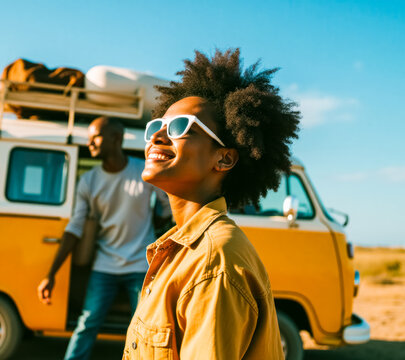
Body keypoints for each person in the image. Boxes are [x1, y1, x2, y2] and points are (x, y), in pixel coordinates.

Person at [122, 49, 299, 359]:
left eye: (179, 127)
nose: (157, 137)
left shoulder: (213, 261)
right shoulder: (183, 251)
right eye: (155, 127)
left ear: (224, 158)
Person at [37, 116, 171, 360]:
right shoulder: (89, 180)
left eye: (95, 137)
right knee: (87, 322)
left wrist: (153, 224)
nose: (89, 143)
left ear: (115, 139)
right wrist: (51, 274)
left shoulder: (143, 171)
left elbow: (168, 208)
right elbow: (75, 226)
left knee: (147, 326)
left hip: (141, 265)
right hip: (104, 265)